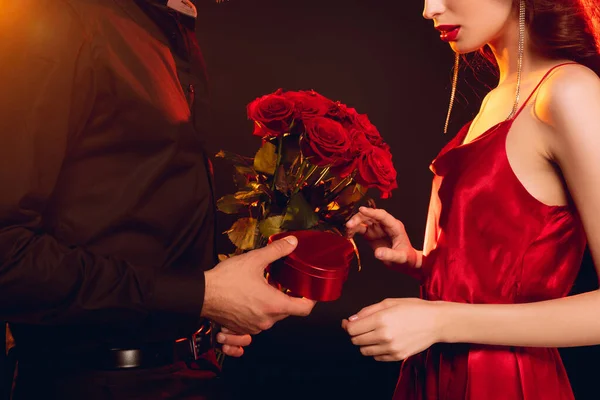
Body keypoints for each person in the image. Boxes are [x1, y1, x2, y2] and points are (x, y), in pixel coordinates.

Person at [0, 0, 315, 399]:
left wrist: (217, 304)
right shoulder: (59, 18)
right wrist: (202, 295)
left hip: (183, 374)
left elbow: (124, 218)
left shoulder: (169, 30)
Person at [343, 0, 600, 399]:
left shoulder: (569, 90)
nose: (429, 9)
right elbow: (504, 272)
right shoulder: (497, 101)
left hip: (507, 382)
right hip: (434, 371)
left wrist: (441, 322)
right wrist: (421, 263)